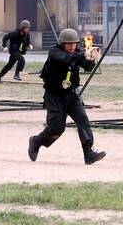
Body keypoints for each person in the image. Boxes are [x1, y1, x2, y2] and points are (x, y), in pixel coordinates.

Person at [27, 28, 106, 164]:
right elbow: (67, 58)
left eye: (74, 43)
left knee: (83, 120)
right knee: (56, 129)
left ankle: (88, 153)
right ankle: (36, 141)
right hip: (54, 96)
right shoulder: (55, 52)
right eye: (68, 44)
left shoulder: (77, 53)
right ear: (62, 44)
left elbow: (87, 67)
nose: (72, 46)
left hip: (70, 95)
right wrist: (85, 54)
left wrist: (92, 59)